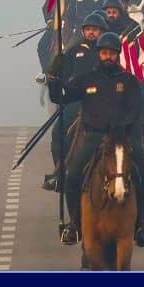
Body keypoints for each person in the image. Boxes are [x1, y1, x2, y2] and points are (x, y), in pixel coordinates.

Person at [47, 32, 144, 247]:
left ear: (118, 55)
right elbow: (60, 97)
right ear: (99, 54)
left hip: (122, 139)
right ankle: (75, 225)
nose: (108, 57)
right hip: (94, 138)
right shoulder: (87, 79)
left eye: (112, 53)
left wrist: (121, 128)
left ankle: (140, 224)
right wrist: (54, 78)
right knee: (72, 177)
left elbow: (135, 110)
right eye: (104, 53)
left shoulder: (129, 81)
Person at [43, 13, 107, 192]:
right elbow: (62, 77)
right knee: (58, 133)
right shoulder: (73, 51)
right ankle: (59, 175)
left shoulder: (109, 50)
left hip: (104, 102)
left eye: (95, 30)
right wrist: (55, 77)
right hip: (78, 100)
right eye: (88, 30)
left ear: (102, 32)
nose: (91, 33)